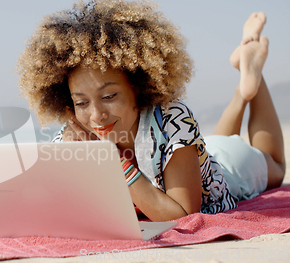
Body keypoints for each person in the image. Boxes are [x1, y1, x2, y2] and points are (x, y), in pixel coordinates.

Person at [16, 0, 285, 221]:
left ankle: (253, 78)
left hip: (231, 169)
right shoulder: (76, 133)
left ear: (139, 88)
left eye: (109, 96)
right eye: (82, 102)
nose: (96, 116)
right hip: (199, 155)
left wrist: (111, 160)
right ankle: (243, 84)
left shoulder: (172, 119)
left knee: (275, 165)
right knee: (215, 144)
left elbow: (183, 215)